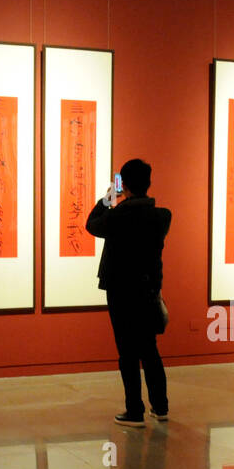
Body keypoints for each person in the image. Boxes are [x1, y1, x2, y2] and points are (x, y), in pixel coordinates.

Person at [86, 158, 172, 427]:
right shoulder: (162, 216)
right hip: (147, 289)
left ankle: (134, 410)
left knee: (127, 351)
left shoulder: (117, 216)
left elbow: (91, 224)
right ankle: (160, 406)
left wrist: (111, 195)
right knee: (149, 348)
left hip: (121, 291)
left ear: (124, 184)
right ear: (149, 182)